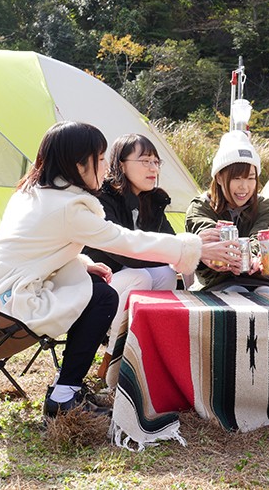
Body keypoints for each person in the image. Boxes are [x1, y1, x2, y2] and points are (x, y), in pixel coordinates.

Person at [0, 121, 237, 418]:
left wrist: (83, 263)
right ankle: (65, 394)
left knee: (99, 289)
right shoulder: (69, 207)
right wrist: (194, 247)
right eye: (100, 158)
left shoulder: (33, 192)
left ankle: (72, 384)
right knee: (102, 297)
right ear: (79, 165)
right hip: (8, 302)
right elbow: (126, 242)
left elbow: (33, 248)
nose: (105, 167)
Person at [82, 133, 178, 382]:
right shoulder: (103, 198)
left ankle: (146, 349)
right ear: (121, 165)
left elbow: (171, 242)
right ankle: (112, 358)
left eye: (156, 162)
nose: (153, 168)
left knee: (166, 273)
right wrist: (175, 252)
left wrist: (196, 251)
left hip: (125, 282)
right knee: (140, 276)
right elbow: (126, 254)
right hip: (94, 285)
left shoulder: (152, 200)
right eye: (145, 161)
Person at [185, 130, 269, 292]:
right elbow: (207, 233)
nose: (244, 187)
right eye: (237, 178)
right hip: (216, 284)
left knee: (266, 294)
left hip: (261, 281)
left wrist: (249, 257)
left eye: (250, 178)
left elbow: (262, 239)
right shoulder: (200, 206)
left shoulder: (266, 208)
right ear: (219, 178)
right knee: (235, 292)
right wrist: (214, 250)